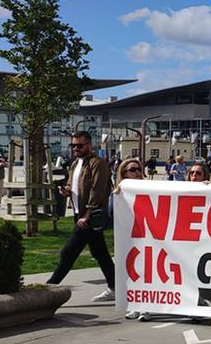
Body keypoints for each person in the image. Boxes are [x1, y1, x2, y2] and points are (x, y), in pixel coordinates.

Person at [48, 131, 115, 302]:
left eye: (79, 145)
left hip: (90, 215)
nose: (75, 149)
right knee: (99, 252)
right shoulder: (75, 164)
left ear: (89, 145)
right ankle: (116, 286)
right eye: (73, 146)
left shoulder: (98, 164)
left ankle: (49, 288)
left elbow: (97, 190)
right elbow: (73, 184)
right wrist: (66, 191)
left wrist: (87, 215)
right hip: (79, 213)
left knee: (68, 252)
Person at [115, 158, 151, 321]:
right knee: (133, 273)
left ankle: (146, 307)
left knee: (147, 272)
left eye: (138, 169)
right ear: (124, 173)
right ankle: (136, 305)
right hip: (129, 239)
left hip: (148, 238)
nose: (137, 173)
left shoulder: (150, 188)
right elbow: (112, 216)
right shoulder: (118, 193)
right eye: (133, 170)